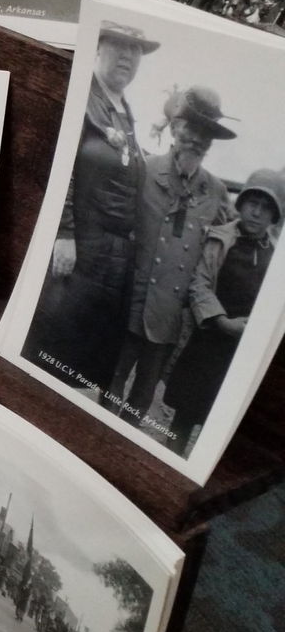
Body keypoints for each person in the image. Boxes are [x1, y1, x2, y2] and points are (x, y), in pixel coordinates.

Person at [22, 22, 156, 394]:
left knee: (86, 358)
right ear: (99, 47)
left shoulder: (125, 112)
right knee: (55, 341)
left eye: (136, 50)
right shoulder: (83, 96)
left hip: (111, 258)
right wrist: (63, 233)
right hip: (80, 245)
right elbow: (61, 164)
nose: (128, 56)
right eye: (120, 45)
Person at [109, 86, 237, 423]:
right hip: (131, 301)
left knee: (143, 394)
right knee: (111, 380)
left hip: (169, 316)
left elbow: (233, 233)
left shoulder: (216, 191)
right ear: (176, 127)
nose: (197, 140)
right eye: (192, 129)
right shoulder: (146, 170)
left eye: (205, 135)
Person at [160, 169, 283, 453]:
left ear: (274, 217)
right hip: (209, 341)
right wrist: (222, 321)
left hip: (241, 351)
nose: (257, 213)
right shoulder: (220, 239)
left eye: (266, 208)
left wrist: (256, 327)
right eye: (253, 203)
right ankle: (168, 456)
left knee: (221, 417)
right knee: (187, 412)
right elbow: (199, 283)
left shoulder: (275, 257)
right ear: (241, 204)